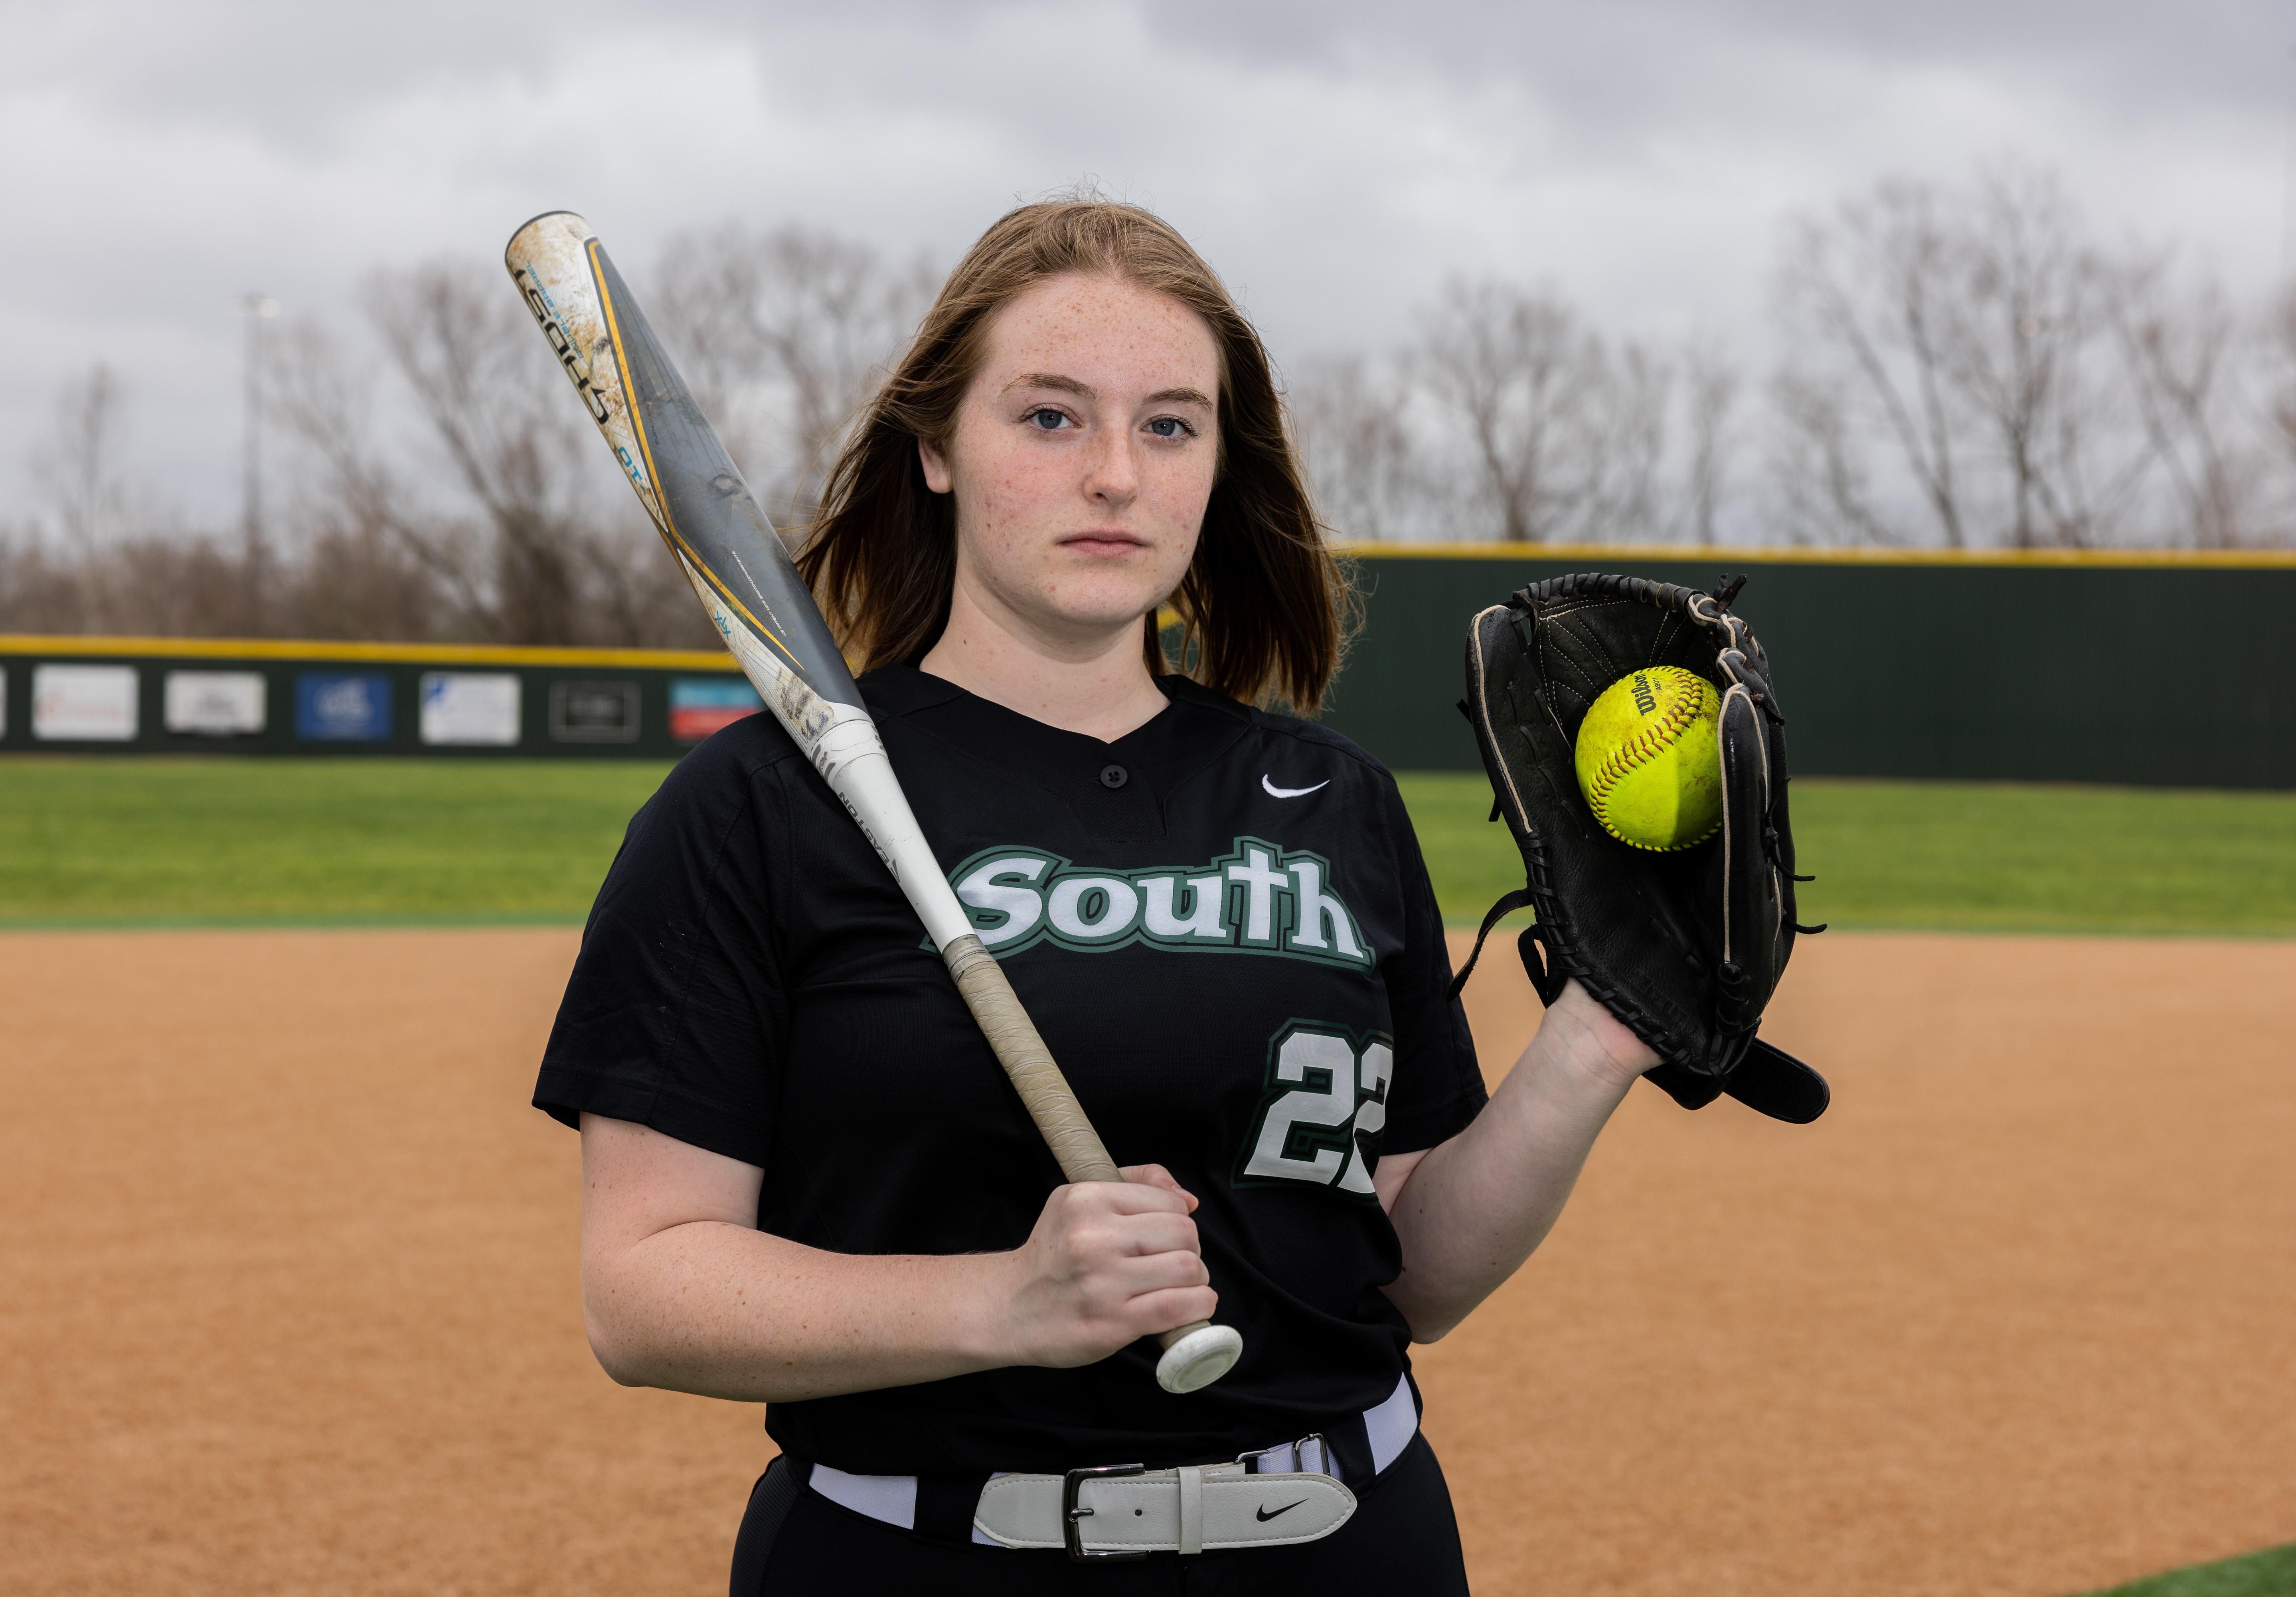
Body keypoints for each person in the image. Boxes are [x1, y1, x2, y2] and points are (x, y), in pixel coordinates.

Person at [532, 200, 1660, 1595]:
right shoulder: (760, 805)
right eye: (1052, 417)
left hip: (1352, 1548)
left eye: (1171, 425)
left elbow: (1411, 1269)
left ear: (1218, 466)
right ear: (937, 447)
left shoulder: (1332, 797)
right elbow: (642, 1289)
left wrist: (1593, 1041)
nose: (1117, 475)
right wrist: (999, 1300)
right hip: (929, 1555)